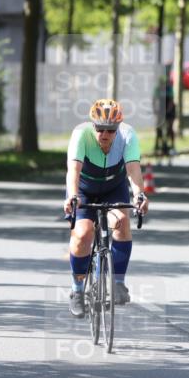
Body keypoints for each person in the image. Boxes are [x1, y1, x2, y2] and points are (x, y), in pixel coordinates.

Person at [63, 99, 150, 317]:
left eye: (110, 130)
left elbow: (133, 168)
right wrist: (73, 196)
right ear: (92, 126)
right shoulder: (80, 134)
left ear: (118, 128)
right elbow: (73, 170)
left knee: (121, 221)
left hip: (114, 187)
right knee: (83, 234)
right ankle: (77, 290)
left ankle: (118, 282)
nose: (105, 134)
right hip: (83, 190)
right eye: (100, 128)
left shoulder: (128, 136)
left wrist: (139, 194)